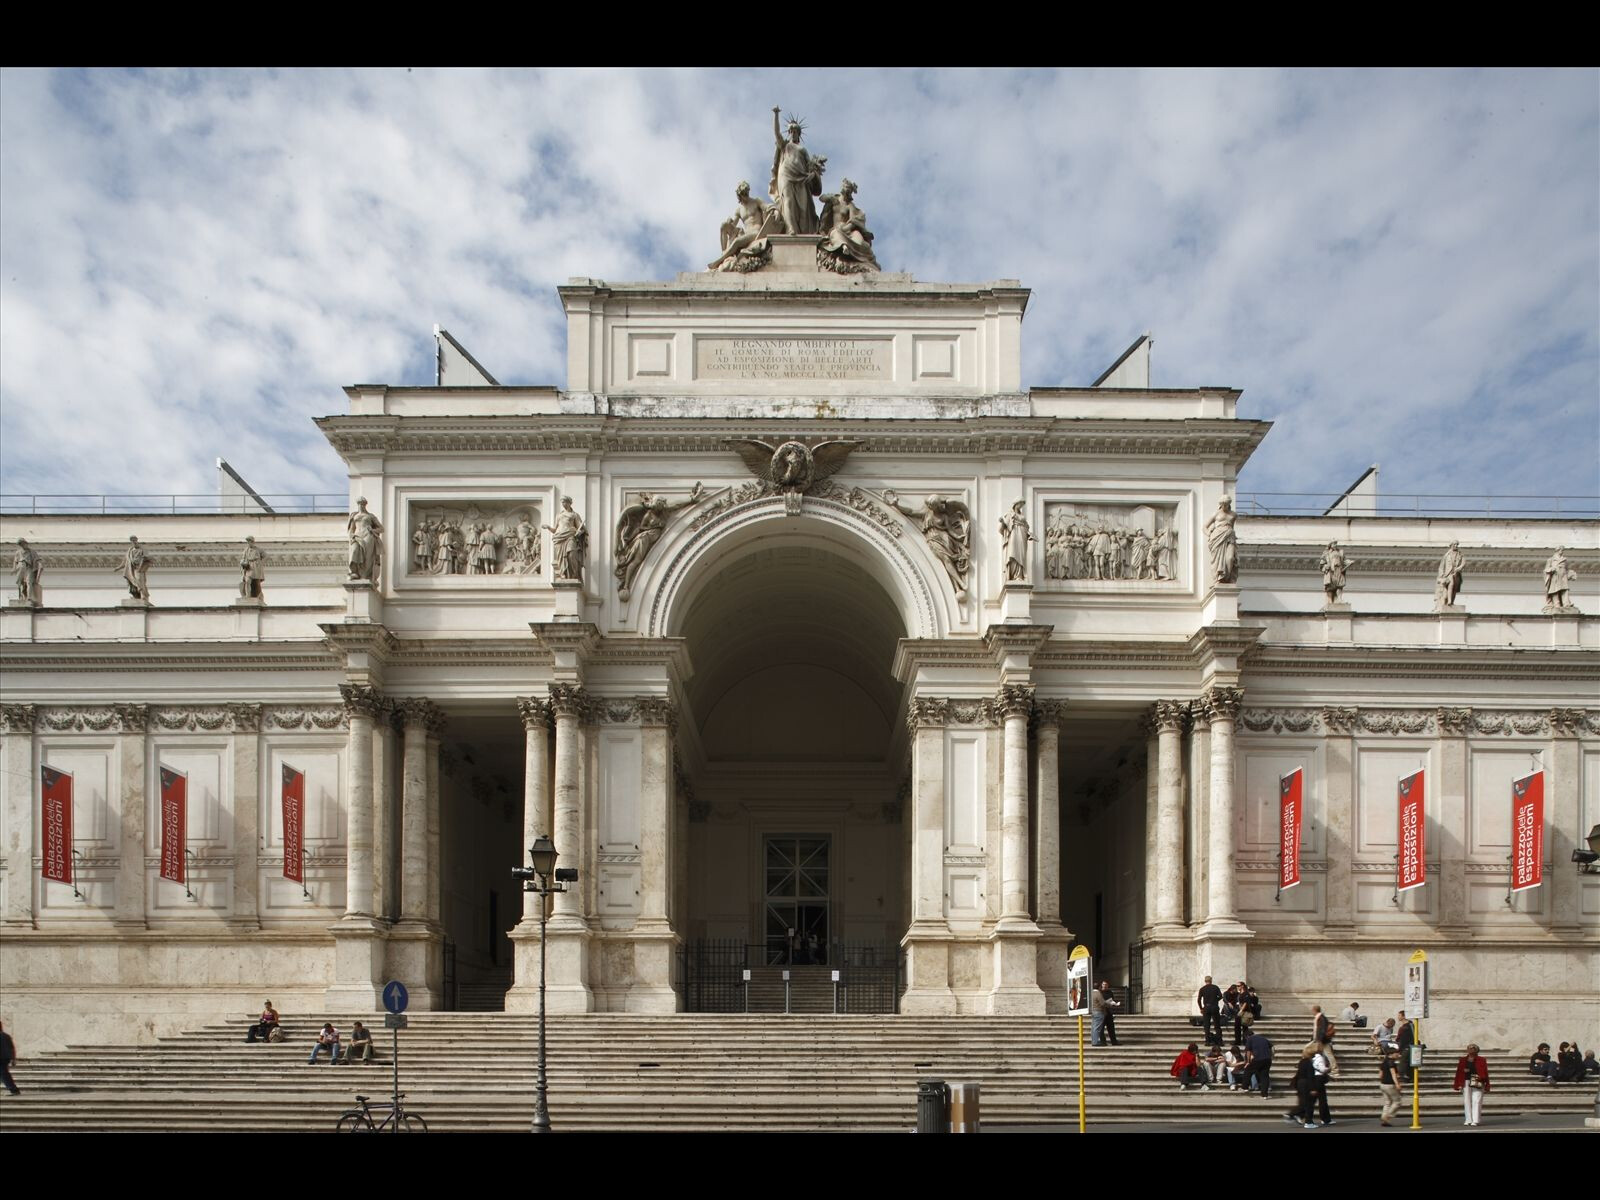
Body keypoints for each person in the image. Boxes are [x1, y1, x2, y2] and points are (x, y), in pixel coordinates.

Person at [769, 108, 826, 236]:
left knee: (803, 207)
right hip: (786, 174)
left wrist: (813, 174)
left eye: (795, 131)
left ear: (799, 134)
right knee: (788, 200)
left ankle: (803, 232)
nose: (793, 133)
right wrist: (776, 115)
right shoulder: (784, 145)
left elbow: (811, 167)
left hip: (802, 177)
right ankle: (791, 229)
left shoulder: (803, 150)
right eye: (791, 131)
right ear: (789, 132)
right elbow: (777, 133)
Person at [817, 179, 880, 271]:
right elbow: (821, 198)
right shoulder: (835, 199)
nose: (847, 191)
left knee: (861, 243)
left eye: (849, 190)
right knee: (836, 234)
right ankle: (844, 246)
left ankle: (869, 259)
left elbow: (853, 220)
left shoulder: (850, 205)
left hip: (848, 229)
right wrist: (830, 198)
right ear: (842, 188)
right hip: (836, 228)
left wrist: (847, 228)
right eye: (846, 188)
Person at [544, 497, 587, 583]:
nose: (563, 504)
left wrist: (580, 532)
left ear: (569, 503)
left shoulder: (574, 515)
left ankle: (574, 575)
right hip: (559, 538)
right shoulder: (559, 515)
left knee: (571, 554)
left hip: (570, 536)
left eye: (564, 502)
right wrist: (548, 527)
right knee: (560, 559)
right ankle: (564, 575)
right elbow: (555, 529)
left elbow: (581, 528)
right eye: (562, 502)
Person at [346, 498, 383, 584]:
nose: (361, 506)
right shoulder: (354, 516)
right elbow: (351, 529)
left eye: (362, 504)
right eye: (359, 504)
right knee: (354, 550)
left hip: (368, 536)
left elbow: (381, 528)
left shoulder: (370, 516)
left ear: (365, 505)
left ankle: (365, 576)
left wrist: (373, 530)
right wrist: (351, 535)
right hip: (357, 536)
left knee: (368, 557)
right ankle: (354, 572)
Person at [1452, 1043, 1490, 1126]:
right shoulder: (1462, 1060)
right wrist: (1458, 1083)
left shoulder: (1481, 1059)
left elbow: (1485, 1072)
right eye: (1469, 1048)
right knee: (1467, 1100)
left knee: (1477, 1100)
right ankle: (1468, 1119)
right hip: (1466, 1080)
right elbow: (1458, 1072)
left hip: (1477, 1080)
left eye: (1473, 1048)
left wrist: (1486, 1082)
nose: (1471, 1049)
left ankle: (1475, 1120)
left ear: (1477, 1050)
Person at [1205, 497, 1238, 583]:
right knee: (1217, 559)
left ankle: (1228, 578)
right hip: (1217, 538)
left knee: (1230, 558)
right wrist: (1209, 535)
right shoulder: (1216, 514)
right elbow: (1204, 527)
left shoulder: (1233, 515)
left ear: (1229, 504)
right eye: (1222, 505)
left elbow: (1232, 527)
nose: (1224, 506)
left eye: (1226, 505)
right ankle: (1219, 578)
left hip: (1230, 537)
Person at [999, 500, 1033, 582]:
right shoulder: (1010, 514)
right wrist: (1002, 522)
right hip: (1013, 534)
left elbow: (1027, 527)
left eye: (1022, 505)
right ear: (1016, 504)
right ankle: (1012, 575)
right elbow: (1002, 527)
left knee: (1021, 554)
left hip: (1022, 535)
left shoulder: (1022, 516)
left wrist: (1029, 534)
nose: (1021, 506)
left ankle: (1019, 575)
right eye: (1020, 504)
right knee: (1012, 552)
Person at [1243, 1029, 1274, 1098]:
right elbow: (1272, 1047)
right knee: (1264, 1076)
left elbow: (1248, 1051)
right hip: (1267, 1059)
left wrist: (1248, 1062)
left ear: (1247, 1036)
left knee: (1248, 1070)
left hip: (1257, 1058)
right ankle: (1264, 1095)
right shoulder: (1263, 1038)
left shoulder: (1250, 1039)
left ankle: (1245, 1087)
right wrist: (1271, 1057)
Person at [118, 535, 151, 600]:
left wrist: (140, 567)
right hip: (131, 568)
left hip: (139, 568)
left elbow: (145, 558)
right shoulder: (130, 550)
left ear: (137, 540)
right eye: (132, 541)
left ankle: (142, 594)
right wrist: (118, 568)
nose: (134, 542)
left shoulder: (142, 549)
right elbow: (125, 561)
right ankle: (136, 595)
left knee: (139, 580)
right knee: (131, 582)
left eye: (135, 540)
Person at [12, 538, 42, 605]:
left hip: (29, 568)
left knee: (29, 582)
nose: (22, 545)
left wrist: (39, 567)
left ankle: (29, 597)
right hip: (20, 567)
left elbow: (37, 560)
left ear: (26, 543)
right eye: (20, 544)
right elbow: (15, 561)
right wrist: (14, 569)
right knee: (20, 583)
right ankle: (21, 597)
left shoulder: (32, 552)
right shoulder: (18, 552)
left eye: (23, 543)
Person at [1434, 542, 1464, 609]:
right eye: (1455, 544)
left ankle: (1451, 601)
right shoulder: (1447, 555)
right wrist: (1441, 576)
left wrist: (1458, 568)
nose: (1456, 546)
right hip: (1448, 574)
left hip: (1456, 574)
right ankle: (1449, 601)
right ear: (1451, 545)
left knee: (1455, 589)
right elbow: (1442, 566)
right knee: (1451, 584)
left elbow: (1463, 563)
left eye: (1457, 544)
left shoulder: (1460, 555)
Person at [1378, 1047, 1403, 1126]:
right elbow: (1393, 1074)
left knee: (1387, 1102)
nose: (1398, 1054)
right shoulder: (1392, 1063)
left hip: (1382, 1084)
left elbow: (1380, 1075)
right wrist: (1397, 1084)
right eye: (1397, 1053)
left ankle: (1384, 1118)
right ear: (1391, 1054)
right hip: (1390, 1085)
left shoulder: (1384, 1062)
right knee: (1397, 1102)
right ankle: (1387, 1116)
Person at [1197, 976, 1223, 1046]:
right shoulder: (1215, 987)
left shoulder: (1202, 989)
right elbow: (1220, 996)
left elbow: (1199, 1000)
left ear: (1205, 981)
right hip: (1214, 1007)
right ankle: (1220, 1041)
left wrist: (1201, 1008)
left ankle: (1207, 1041)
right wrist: (1215, 1000)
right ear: (1211, 980)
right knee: (1217, 1025)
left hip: (1207, 1007)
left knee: (1207, 1026)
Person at [1096, 980, 1122, 1046]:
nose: (1105, 986)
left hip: (1108, 1012)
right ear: (1101, 985)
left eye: (1106, 985)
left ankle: (1114, 1042)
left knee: (1111, 1028)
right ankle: (1103, 1042)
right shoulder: (1099, 992)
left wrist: (1114, 1003)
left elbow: (1112, 999)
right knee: (1101, 1029)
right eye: (1104, 984)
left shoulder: (1110, 992)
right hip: (1101, 1012)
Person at [1395, 1011, 1415, 1084]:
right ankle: (1410, 1077)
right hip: (1410, 1046)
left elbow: (1403, 1040)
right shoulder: (1411, 1025)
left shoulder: (1405, 1027)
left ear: (1403, 1016)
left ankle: (1403, 1077)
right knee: (1409, 1062)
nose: (1398, 1017)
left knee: (1403, 1062)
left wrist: (1399, 1050)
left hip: (1406, 1047)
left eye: (1399, 1015)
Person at [0, 1020, 18, 1095]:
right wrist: (13, 1058)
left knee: (4, 1074)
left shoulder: (4, 1036)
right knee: (3, 1074)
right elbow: (12, 1048)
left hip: (1, 1058)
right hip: (6, 1058)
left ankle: (13, 1089)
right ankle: (13, 1089)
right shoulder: (6, 1035)